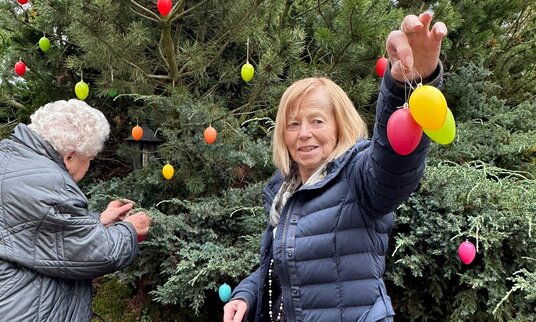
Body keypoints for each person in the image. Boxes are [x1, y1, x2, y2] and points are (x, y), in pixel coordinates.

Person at [223, 11, 447, 322]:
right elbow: (281, 264)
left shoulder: (357, 175)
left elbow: (393, 165)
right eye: (293, 124)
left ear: (339, 125)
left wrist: (408, 82)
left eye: (317, 121)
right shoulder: (283, 192)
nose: (304, 133)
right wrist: (246, 294)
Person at [0, 99, 151, 321]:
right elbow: (97, 253)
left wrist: (99, 220)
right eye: (88, 159)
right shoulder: (49, 182)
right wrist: (129, 229)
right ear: (70, 156)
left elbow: (42, 232)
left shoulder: (12, 159)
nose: (89, 166)